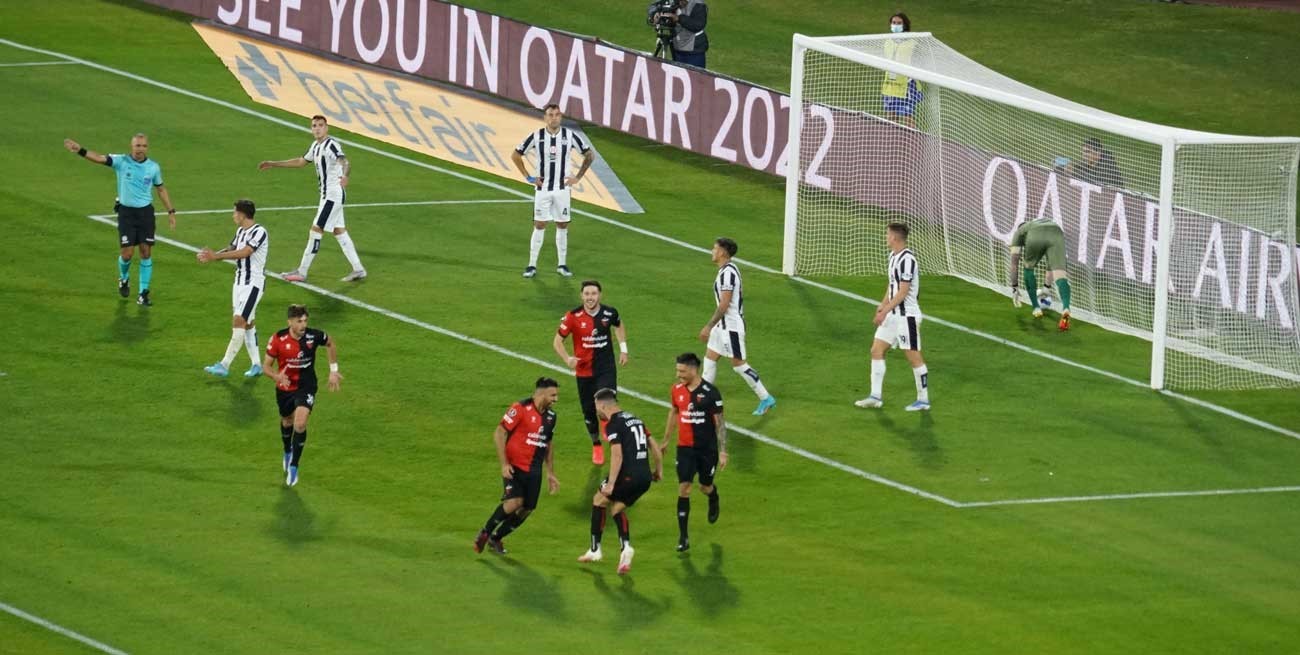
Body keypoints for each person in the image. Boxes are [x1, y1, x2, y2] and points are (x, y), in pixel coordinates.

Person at [63, 134, 177, 306]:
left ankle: (143, 293)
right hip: (126, 214)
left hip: (145, 213)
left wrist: (171, 211)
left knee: (146, 252)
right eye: (137, 145)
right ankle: (124, 278)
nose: (140, 149)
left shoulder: (153, 167)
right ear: (132, 146)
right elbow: (99, 158)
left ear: (147, 147)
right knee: (127, 254)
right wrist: (80, 150)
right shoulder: (121, 161)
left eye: (143, 146)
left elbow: (161, 189)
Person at [258, 115, 367, 283]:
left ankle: (302, 272)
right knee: (339, 231)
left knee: (316, 230)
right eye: (314, 126)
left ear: (326, 128)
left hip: (333, 196)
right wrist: (274, 163)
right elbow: (301, 162)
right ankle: (359, 269)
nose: (317, 128)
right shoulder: (316, 146)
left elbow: (345, 161)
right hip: (327, 196)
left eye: (320, 125)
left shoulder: (331, 145)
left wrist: (345, 175)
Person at [577, 388, 664, 575]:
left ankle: (595, 550)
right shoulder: (636, 419)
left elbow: (617, 455)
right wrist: (658, 470)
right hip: (644, 478)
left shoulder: (613, 424)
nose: (597, 412)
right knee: (616, 509)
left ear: (603, 405)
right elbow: (654, 447)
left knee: (598, 500)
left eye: (596, 407)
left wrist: (611, 483)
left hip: (627, 475)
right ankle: (626, 548)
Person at [474, 377, 561, 556]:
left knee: (526, 509)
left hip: (534, 470)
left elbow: (548, 444)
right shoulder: (519, 408)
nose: (556, 399)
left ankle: (496, 538)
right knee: (514, 502)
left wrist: (550, 473)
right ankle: (485, 532)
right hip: (514, 467)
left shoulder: (551, 417)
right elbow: (499, 433)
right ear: (541, 394)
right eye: (552, 395)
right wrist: (504, 464)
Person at [511, 104, 595, 278]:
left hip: (562, 189)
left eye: (557, 115)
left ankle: (562, 265)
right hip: (543, 189)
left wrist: (578, 177)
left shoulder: (569, 136)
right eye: (550, 115)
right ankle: (531, 265)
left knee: (562, 225)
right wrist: (528, 177)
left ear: (561, 117)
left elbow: (589, 154)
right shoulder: (537, 136)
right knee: (539, 224)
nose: (554, 118)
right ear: (545, 117)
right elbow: (516, 155)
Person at [262, 304, 342, 487]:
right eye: (299, 321)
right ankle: (287, 450)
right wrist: (276, 376)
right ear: (289, 322)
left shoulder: (313, 336)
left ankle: (294, 466)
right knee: (287, 421)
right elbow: (265, 366)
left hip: (306, 386)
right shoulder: (278, 339)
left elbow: (330, 343)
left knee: (299, 423)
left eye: (305, 321)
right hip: (285, 387)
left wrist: (333, 370)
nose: (303, 325)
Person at [855, 223, 931, 411]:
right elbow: (892, 286)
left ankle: (923, 400)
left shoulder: (908, 260)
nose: (885, 237)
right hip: (893, 315)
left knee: (913, 357)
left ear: (894, 238)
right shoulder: (893, 256)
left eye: (887, 234)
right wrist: (882, 306)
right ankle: (875, 396)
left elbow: (903, 292)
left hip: (907, 317)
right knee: (876, 350)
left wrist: (885, 312)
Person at [553, 280, 628, 465]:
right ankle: (596, 445)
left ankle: (613, 436)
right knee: (589, 413)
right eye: (587, 294)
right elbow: (557, 341)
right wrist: (567, 359)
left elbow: (619, 325)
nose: (590, 297)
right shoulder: (572, 316)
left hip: (606, 368)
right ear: (581, 296)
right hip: (584, 372)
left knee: (605, 403)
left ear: (600, 295)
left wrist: (624, 349)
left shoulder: (610, 313)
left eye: (593, 294)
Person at [698, 237, 776, 416]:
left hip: (731, 326)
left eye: (715, 248)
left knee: (739, 365)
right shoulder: (726, 270)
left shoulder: (728, 273)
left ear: (722, 252)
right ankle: (701, 398)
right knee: (710, 359)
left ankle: (766, 397)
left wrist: (708, 326)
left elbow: (724, 304)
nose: (712, 251)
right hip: (722, 325)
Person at [197, 199, 269, 378]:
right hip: (238, 283)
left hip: (253, 284)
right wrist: (213, 255)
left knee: (239, 320)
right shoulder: (240, 231)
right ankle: (256, 365)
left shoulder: (259, 231)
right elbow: (232, 247)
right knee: (248, 323)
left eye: (235, 212)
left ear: (243, 214)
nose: (233, 215)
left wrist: (216, 257)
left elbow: (245, 252)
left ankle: (224, 365)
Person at [662, 352, 725, 553]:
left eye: (681, 371)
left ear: (693, 370)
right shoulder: (676, 390)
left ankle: (713, 496)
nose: (678, 374)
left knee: (704, 487)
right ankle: (683, 537)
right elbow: (674, 412)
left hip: (707, 450)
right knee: (684, 488)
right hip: (685, 449)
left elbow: (720, 424)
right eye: (677, 370)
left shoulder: (711, 393)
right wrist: (666, 440)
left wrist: (723, 451)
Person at [1009, 217, 1073, 331]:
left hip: (1035, 235)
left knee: (1028, 268)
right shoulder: (1038, 222)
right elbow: (1050, 265)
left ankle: (1036, 308)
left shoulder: (1019, 232)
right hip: (1057, 232)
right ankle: (1066, 308)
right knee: (1060, 274)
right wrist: (1046, 287)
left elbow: (1014, 265)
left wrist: (1015, 287)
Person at [881, 12, 923, 129]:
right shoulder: (887, 41)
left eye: (899, 23)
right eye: (894, 23)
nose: (896, 25)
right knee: (891, 117)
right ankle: (893, 138)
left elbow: (919, 62)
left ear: (905, 25)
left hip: (906, 85)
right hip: (890, 84)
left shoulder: (913, 43)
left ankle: (914, 138)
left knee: (907, 117)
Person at [651, 0, 709, 69]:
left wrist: (678, 18)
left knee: (695, 74)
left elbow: (698, 25)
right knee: (677, 72)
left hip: (694, 49)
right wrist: (654, 14)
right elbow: (653, 6)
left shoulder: (698, 4)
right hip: (677, 45)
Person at [1056, 136, 1124, 189]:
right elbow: (1079, 169)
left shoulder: (1107, 167)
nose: (1084, 155)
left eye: (1088, 152)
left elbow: (1095, 182)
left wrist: (1073, 172)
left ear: (1098, 152)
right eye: (1083, 152)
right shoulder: (1088, 163)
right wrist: (1066, 168)